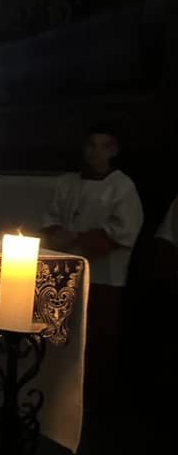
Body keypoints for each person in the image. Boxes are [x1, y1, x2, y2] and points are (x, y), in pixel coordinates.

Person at [41, 125, 143, 410]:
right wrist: (57, 233)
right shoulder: (67, 183)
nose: (96, 152)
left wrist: (82, 239)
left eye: (104, 146)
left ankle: (96, 399)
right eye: (91, 145)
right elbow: (50, 216)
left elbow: (126, 229)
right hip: (69, 271)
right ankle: (61, 391)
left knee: (99, 336)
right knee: (67, 332)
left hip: (105, 277)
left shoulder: (122, 187)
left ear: (114, 151)